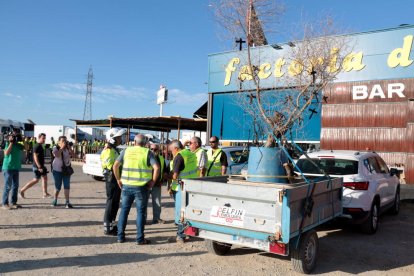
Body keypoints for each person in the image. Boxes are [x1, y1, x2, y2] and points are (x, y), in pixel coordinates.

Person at [113, 134, 160, 244]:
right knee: (140, 212)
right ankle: (139, 238)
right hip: (141, 187)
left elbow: (115, 165)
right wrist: (153, 181)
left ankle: (120, 237)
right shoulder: (147, 152)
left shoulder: (126, 151)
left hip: (126, 186)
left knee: (124, 211)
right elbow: (156, 167)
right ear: (145, 143)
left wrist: (118, 179)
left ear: (134, 141)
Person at [168, 140, 198, 243]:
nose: (171, 153)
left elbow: (175, 175)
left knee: (181, 212)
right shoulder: (190, 153)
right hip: (191, 186)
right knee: (188, 211)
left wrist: (170, 184)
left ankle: (180, 235)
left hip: (181, 188)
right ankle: (189, 232)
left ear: (176, 148)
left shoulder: (179, 156)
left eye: (171, 150)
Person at [100, 128, 126, 235]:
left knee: (115, 202)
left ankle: (111, 224)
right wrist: (118, 178)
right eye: (118, 137)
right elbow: (111, 167)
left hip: (115, 179)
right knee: (111, 202)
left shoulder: (114, 149)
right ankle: (107, 226)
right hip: (112, 180)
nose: (120, 139)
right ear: (112, 139)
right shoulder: (109, 150)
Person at [19, 133, 51, 199]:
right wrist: (39, 167)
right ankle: (21, 190)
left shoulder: (41, 145)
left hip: (41, 166)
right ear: (39, 138)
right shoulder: (37, 146)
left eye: (45, 138)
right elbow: (35, 157)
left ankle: (45, 193)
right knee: (36, 180)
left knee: (44, 178)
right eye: (43, 138)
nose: (44, 139)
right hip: (37, 166)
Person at [1, 131, 24, 209]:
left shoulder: (18, 145)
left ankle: (13, 202)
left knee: (15, 186)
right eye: (13, 136)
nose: (14, 138)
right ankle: (4, 203)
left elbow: (26, 148)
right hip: (8, 167)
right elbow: (6, 153)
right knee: (8, 186)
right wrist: (11, 142)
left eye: (15, 137)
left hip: (16, 167)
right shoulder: (7, 143)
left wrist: (22, 139)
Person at [51, 136, 75, 208]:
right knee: (57, 187)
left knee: (67, 186)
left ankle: (67, 202)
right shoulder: (55, 148)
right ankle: (55, 199)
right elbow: (57, 155)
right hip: (57, 170)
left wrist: (70, 148)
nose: (65, 142)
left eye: (65, 141)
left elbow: (74, 156)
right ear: (59, 142)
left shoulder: (67, 149)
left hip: (66, 170)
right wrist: (62, 148)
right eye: (63, 141)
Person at [148, 143, 169, 224]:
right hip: (146, 184)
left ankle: (156, 218)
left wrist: (162, 181)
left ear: (159, 150)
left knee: (157, 202)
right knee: (143, 203)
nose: (153, 151)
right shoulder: (146, 157)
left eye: (155, 149)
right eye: (152, 149)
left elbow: (164, 171)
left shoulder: (161, 158)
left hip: (157, 184)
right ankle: (143, 219)